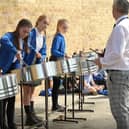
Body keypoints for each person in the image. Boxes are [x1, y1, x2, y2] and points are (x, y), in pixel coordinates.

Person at [95, 0, 129, 129]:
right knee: (125, 109)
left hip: (118, 73)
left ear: (115, 9)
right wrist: (106, 54)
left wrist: (101, 62)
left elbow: (117, 53)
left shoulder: (120, 27)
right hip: (125, 70)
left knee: (120, 112)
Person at [0, 19, 32, 129]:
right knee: (2, 100)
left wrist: (17, 73)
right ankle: (2, 124)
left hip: (12, 71)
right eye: (24, 31)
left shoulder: (23, 42)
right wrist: (15, 51)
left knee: (12, 98)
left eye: (28, 32)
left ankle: (11, 123)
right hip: (2, 70)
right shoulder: (9, 36)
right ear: (18, 28)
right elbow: (2, 39)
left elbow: (18, 61)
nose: (25, 34)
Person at [23, 15, 49, 125]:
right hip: (27, 63)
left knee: (33, 90)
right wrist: (35, 52)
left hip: (36, 64)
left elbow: (43, 50)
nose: (45, 26)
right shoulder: (32, 32)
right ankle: (28, 117)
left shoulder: (43, 36)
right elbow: (27, 44)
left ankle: (32, 114)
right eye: (44, 23)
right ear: (38, 22)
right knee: (27, 90)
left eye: (47, 24)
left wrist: (42, 56)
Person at [50, 19, 69, 111]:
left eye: (67, 28)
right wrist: (64, 54)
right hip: (55, 61)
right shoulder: (58, 37)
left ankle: (55, 104)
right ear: (59, 27)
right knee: (56, 84)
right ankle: (54, 106)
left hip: (59, 61)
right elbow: (53, 51)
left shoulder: (61, 37)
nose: (66, 29)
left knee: (57, 84)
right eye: (64, 27)